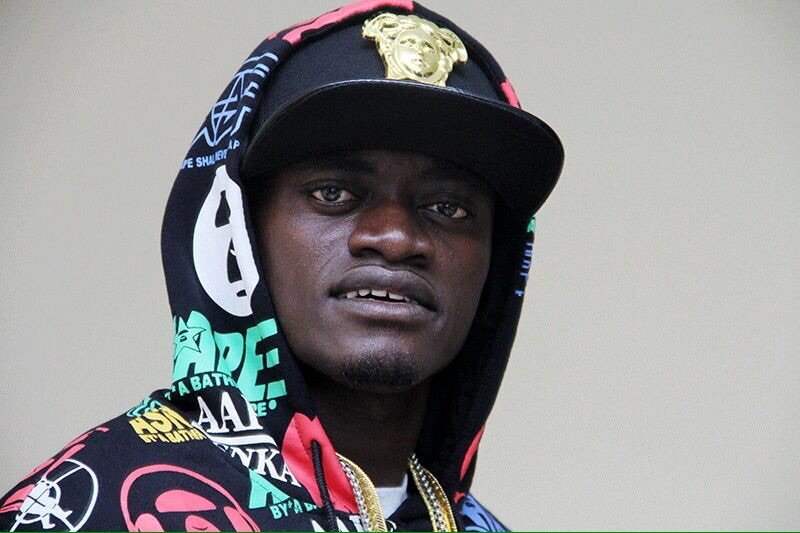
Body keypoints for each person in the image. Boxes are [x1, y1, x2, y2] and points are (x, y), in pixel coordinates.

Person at [0, 1, 562, 531]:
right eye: (333, 193)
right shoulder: (84, 508)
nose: (395, 238)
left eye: (449, 207)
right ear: (239, 230)